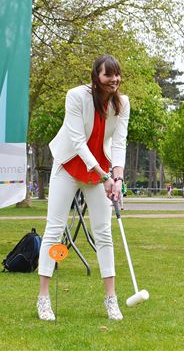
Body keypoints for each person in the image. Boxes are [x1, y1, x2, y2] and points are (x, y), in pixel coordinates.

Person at [37, 55, 130, 321]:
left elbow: (120, 143)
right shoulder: (76, 96)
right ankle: (44, 298)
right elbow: (78, 142)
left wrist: (118, 177)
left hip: (101, 171)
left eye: (117, 75)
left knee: (104, 233)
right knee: (54, 229)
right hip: (69, 165)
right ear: (96, 76)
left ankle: (111, 299)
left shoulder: (122, 104)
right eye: (108, 75)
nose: (114, 80)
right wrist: (105, 177)